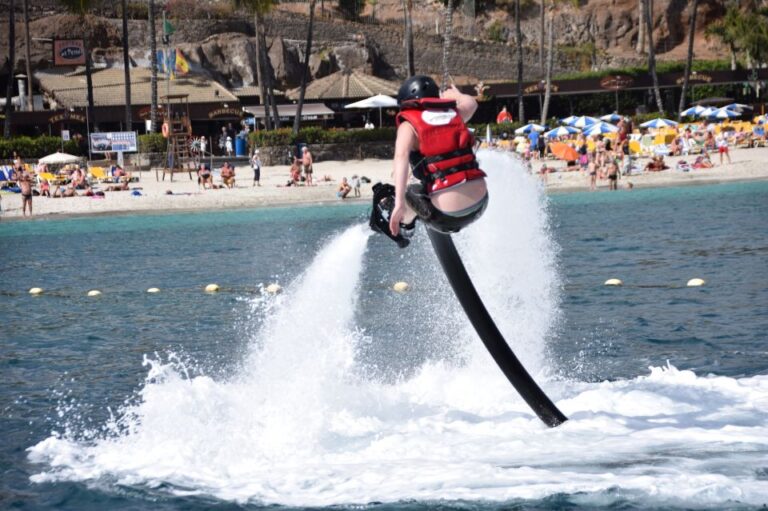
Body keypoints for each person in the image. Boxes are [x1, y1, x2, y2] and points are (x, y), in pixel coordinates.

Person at [383, 76, 488, 242]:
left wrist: (399, 203)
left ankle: (407, 225)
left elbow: (401, 158)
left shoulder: (408, 125)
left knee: (411, 190)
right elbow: (472, 103)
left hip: (445, 218)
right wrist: (457, 95)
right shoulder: (456, 114)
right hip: (481, 204)